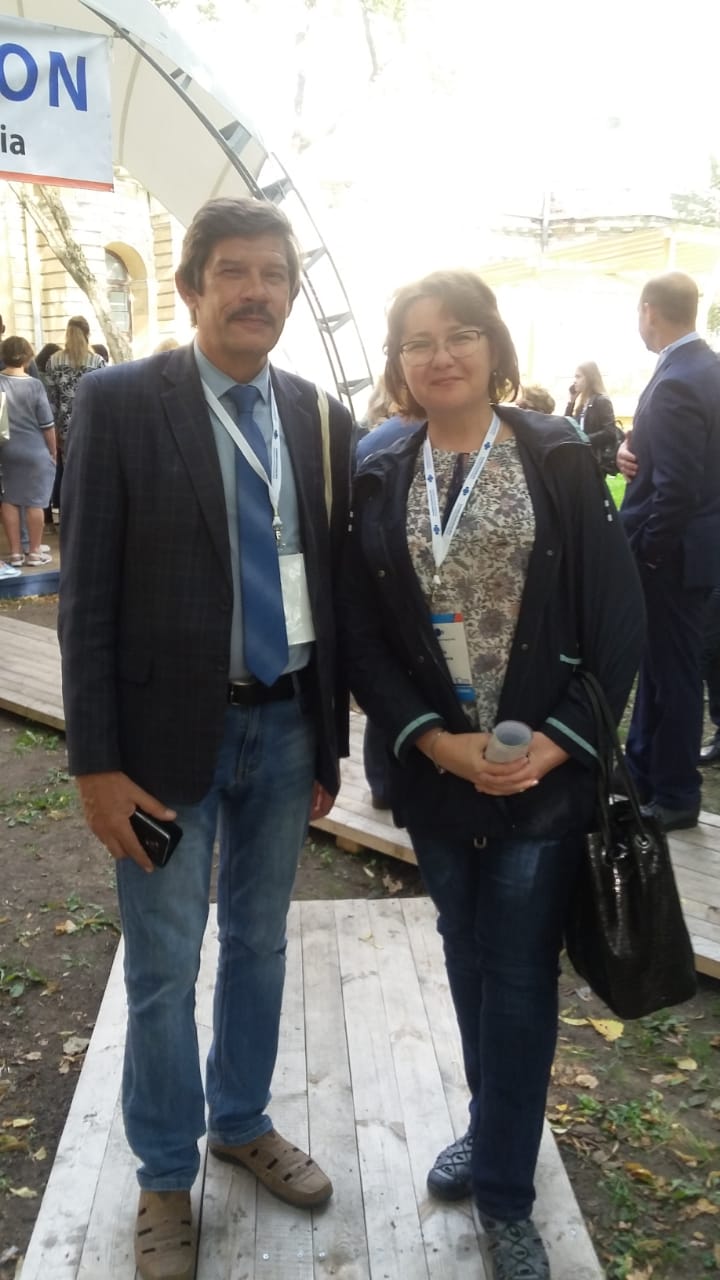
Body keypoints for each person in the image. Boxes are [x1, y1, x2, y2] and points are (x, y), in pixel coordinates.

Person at [58, 197, 354, 1280]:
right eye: (233, 271)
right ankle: (162, 1174)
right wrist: (96, 764)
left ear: (290, 295)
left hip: (284, 726)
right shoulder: (121, 401)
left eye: (273, 274)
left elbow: (330, 587)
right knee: (164, 965)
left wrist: (328, 742)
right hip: (160, 744)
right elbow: (86, 596)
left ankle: (240, 1119)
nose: (255, 291)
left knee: (262, 943)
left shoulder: (318, 414)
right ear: (192, 289)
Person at [340, 270, 644, 1280]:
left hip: (537, 776)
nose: (441, 355)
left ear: (493, 346)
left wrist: (557, 742)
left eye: (461, 333)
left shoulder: (553, 454)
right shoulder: (380, 466)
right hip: (438, 772)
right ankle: (491, 1122)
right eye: (418, 340)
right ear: (399, 362)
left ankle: (509, 1196)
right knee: (468, 954)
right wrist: (432, 740)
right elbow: (362, 630)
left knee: (516, 973)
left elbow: (619, 620)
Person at [618, 271, 720, 831]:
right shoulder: (705, 369)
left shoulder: (680, 378)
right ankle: (643, 772)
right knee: (658, 668)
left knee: (673, 675)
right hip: (692, 551)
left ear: (649, 310)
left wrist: (652, 553)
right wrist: (629, 450)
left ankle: (678, 792)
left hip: (672, 556)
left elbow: (677, 487)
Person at [0, 335, 56, 567]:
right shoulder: (34, 385)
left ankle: (15, 553)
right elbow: (47, 425)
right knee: (36, 502)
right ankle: (34, 552)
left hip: (6, 450)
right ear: (27, 357)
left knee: (9, 499)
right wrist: (53, 451)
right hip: (35, 450)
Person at [44, 317, 106, 507]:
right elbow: (104, 397)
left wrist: (53, 428)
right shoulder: (97, 361)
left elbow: (51, 399)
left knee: (68, 472)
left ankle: (69, 513)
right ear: (87, 334)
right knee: (91, 471)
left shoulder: (54, 361)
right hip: (91, 425)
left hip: (64, 428)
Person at [564, 361, 621, 473]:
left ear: (589, 378)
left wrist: (584, 439)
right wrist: (571, 402)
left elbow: (610, 432)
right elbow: (566, 425)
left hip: (595, 460)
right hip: (581, 457)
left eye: (578, 377)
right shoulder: (582, 404)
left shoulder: (601, 401)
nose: (574, 381)